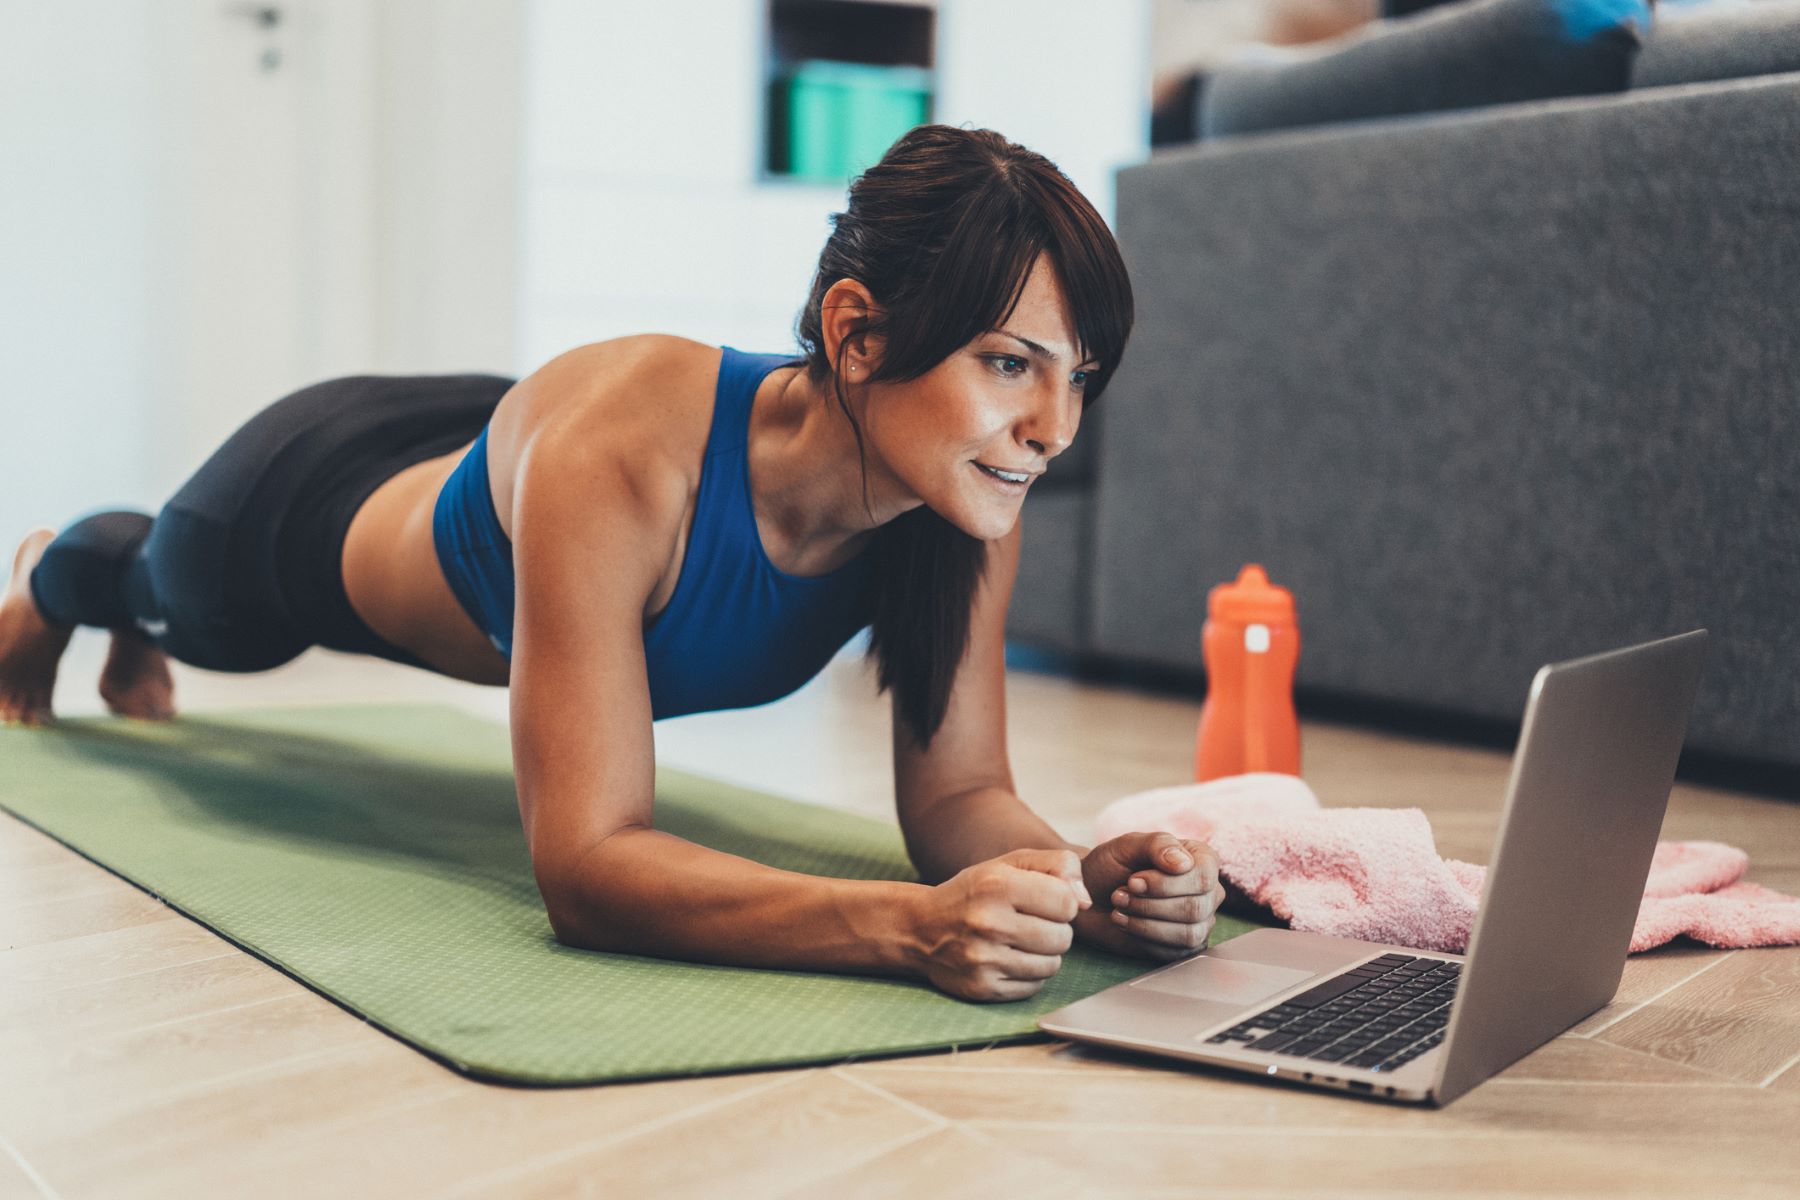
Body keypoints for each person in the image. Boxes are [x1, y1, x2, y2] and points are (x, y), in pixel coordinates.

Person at [0, 125, 1231, 1003]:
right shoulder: (632, 461)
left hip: (508, 452)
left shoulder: (952, 495)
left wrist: (1083, 878)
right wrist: (901, 930)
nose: (1054, 432)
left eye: (1078, 379)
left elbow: (959, 800)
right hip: (308, 505)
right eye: (1011, 364)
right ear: (858, 333)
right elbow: (587, 868)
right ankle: (55, 575)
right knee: (171, 593)